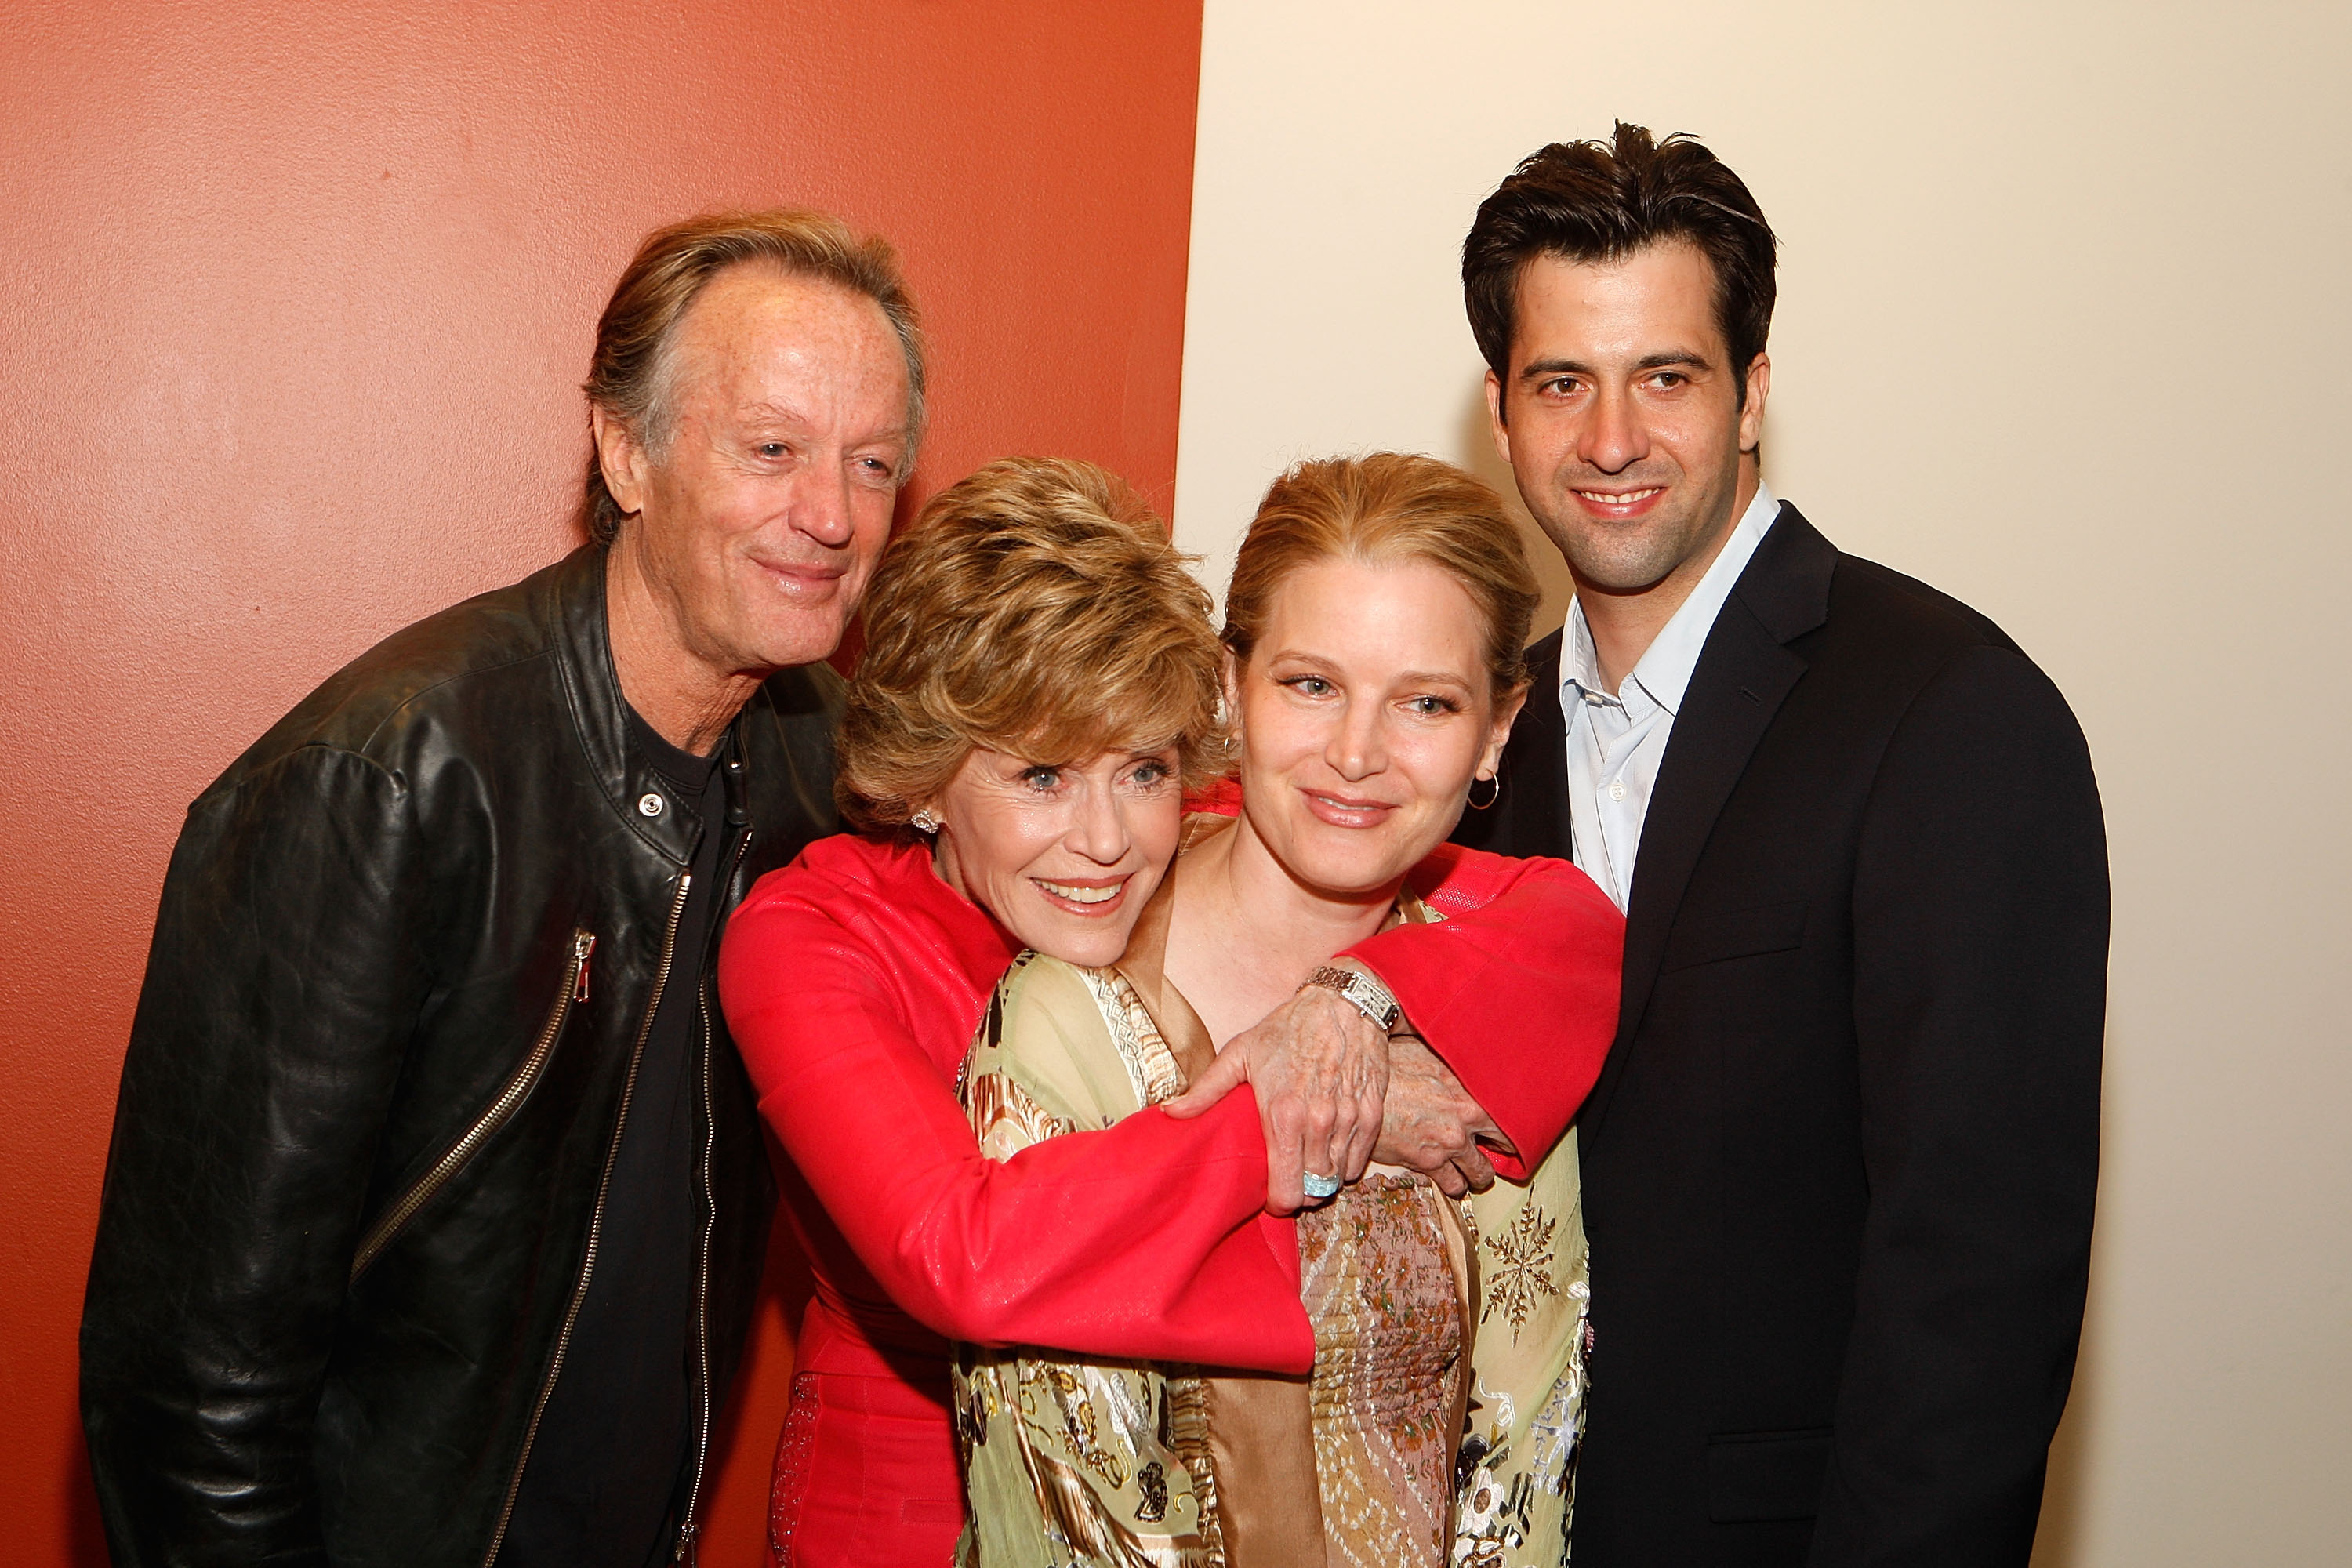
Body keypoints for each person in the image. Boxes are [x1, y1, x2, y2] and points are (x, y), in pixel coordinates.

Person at [79, 208, 924, 1567]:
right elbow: (189, 1386)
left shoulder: (827, 774)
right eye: (771, 449)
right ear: (627, 451)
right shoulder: (385, 785)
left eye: (872, 462)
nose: (829, 515)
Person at [717, 456, 1623, 1566]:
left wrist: (1351, 1000)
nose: (1104, 840)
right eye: (1041, 776)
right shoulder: (814, 937)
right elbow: (963, 1253)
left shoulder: (1202, 827)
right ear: (921, 775)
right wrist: (1325, 1104)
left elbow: (1557, 923)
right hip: (906, 1509)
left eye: (1143, 769)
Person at [1450, 123, 2110, 1566]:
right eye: (1563, 382)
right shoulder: (1478, 755)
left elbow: (1977, 1290)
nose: (1612, 440)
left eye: (1665, 378)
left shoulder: (1948, 713)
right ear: (1502, 413)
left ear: (1751, 397)